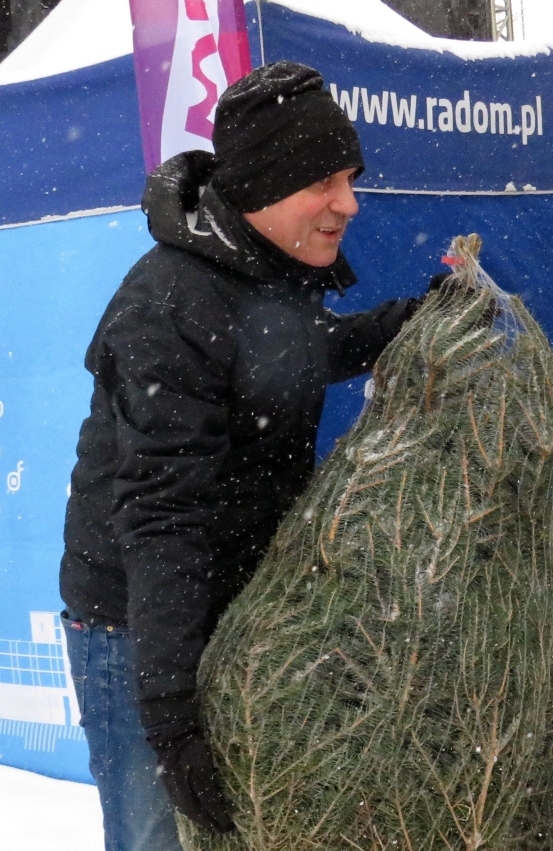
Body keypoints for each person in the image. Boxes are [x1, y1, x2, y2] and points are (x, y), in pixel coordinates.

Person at [59, 61, 429, 851]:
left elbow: (291, 356)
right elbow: (162, 520)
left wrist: (409, 321)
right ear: (265, 185)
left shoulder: (263, 272)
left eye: (351, 179)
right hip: (138, 632)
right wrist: (170, 720)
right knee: (162, 838)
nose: (349, 204)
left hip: (232, 606)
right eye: (325, 182)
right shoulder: (168, 308)